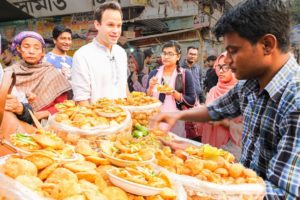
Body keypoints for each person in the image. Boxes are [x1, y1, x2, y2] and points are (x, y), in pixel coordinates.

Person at [152, 0, 300, 198]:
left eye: (233, 51)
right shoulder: (250, 84)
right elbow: (215, 109)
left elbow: (284, 193)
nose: (227, 61)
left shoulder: (295, 101)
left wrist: (212, 188)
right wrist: (175, 117)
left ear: (267, 44)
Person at [71, 1, 128, 106]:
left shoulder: (121, 53)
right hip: (98, 120)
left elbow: (124, 88)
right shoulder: (82, 55)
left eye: (119, 25)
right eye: (110, 25)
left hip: (124, 118)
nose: (116, 31)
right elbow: (82, 99)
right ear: (97, 24)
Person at [5, 31, 71, 120]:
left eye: (36, 48)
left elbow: (64, 105)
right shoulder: (8, 74)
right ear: (18, 49)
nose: (31, 51)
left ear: (43, 52)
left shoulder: (52, 73)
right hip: (14, 125)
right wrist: (22, 98)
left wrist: (41, 114)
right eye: (26, 47)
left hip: (46, 127)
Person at [195, 52, 242, 159]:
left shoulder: (241, 93)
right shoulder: (213, 90)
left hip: (228, 146)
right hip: (208, 140)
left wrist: (222, 122)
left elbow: (247, 128)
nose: (220, 71)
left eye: (225, 67)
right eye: (219, 67)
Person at [147, 40, 196, 137]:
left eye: (170, 54)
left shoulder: (185, 74)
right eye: (164, 53)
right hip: (156, 119)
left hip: (175, 122)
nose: (166, 57)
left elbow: (192, 101)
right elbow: (147, 99)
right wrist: (151, 87)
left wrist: (174, 93)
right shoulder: (154, 73)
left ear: (178, 56)